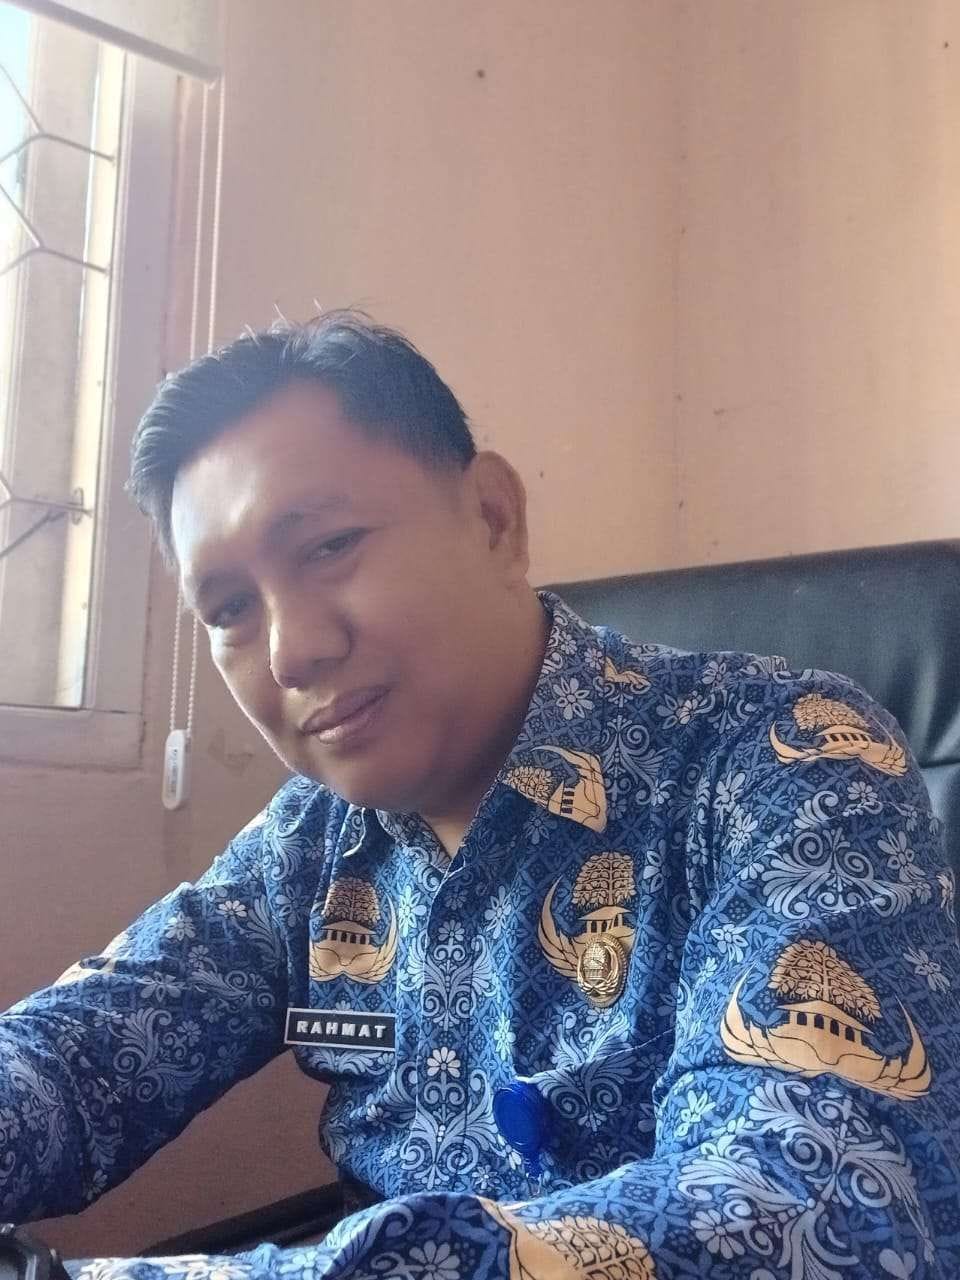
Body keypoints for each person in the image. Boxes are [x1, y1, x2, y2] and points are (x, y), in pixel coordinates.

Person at [1, 312, 958, 1280]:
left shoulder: (789, 763)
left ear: (495, 519)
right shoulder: (312, 843)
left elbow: (806, 1210)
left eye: (329, 545)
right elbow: (78, 1056)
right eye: (230, 608)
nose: (290, 651)